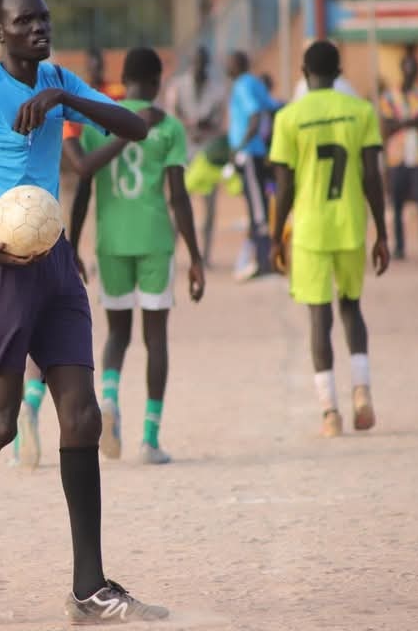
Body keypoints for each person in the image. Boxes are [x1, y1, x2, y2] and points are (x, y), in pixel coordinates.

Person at [0, 0, 168, 625]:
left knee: (81, 417)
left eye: (44, 18)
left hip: (56, 263)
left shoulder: (58, 80)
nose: (38, 28)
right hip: (2, 267)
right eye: (24, 21)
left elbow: (136, 125)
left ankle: (89, 588)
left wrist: (64, 98)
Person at [68, 47, 206, 465]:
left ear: (123, 79)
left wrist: (73, 243)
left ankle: (109, 399)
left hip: (111, 241)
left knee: (117, 334)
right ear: (158, 82)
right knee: (155, 338)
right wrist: (195, 256)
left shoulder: (99, 120)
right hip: (154, 240)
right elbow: (178, 196)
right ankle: (150, 439)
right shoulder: (168, 126)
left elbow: (84, 187)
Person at [269, 40, 390, 438]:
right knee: (352, 308)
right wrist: (382, 232)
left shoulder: (288, 117)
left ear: (304, 74)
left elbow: (284, 187)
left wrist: (275, 237)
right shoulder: (361, 112)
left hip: (309, 230)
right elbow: (372, 178)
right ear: (339, 73)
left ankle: (330, 412)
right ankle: (362, 392)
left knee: (319, 317)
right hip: (351, 224)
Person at [163, 46, 229, 266]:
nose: (200, 67)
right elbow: (171, 116)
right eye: (196, 62)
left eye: (203, 62)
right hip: (183, 151)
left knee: (209, 208)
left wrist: (207, 128)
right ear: (191, 63)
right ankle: (170, 254)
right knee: (178, 202)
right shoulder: (178, 86)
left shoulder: (217, 89)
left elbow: (221, 122)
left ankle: (205, 255)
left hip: (207, 154)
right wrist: (190, 125)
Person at [227, 50, 282, 280]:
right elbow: (274, 105)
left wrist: (239, 147)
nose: (227, 67)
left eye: (230, 63)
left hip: (249, 153)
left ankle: (265, 261)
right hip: (256, 153)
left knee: (258, 209)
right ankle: (263, 259)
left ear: (238, 64)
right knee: (258, 206)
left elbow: (255, 115)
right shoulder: (254, 83)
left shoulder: (242, 84)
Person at [379, 50, 418, 261]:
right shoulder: (389, 96)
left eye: (414, 69)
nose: (410, 72)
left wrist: (402, 121)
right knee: (397, 205)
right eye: (407, 68)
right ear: (402, 70)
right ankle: (399, 247)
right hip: (397, 157)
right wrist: (412, 121)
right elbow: (387, 125)